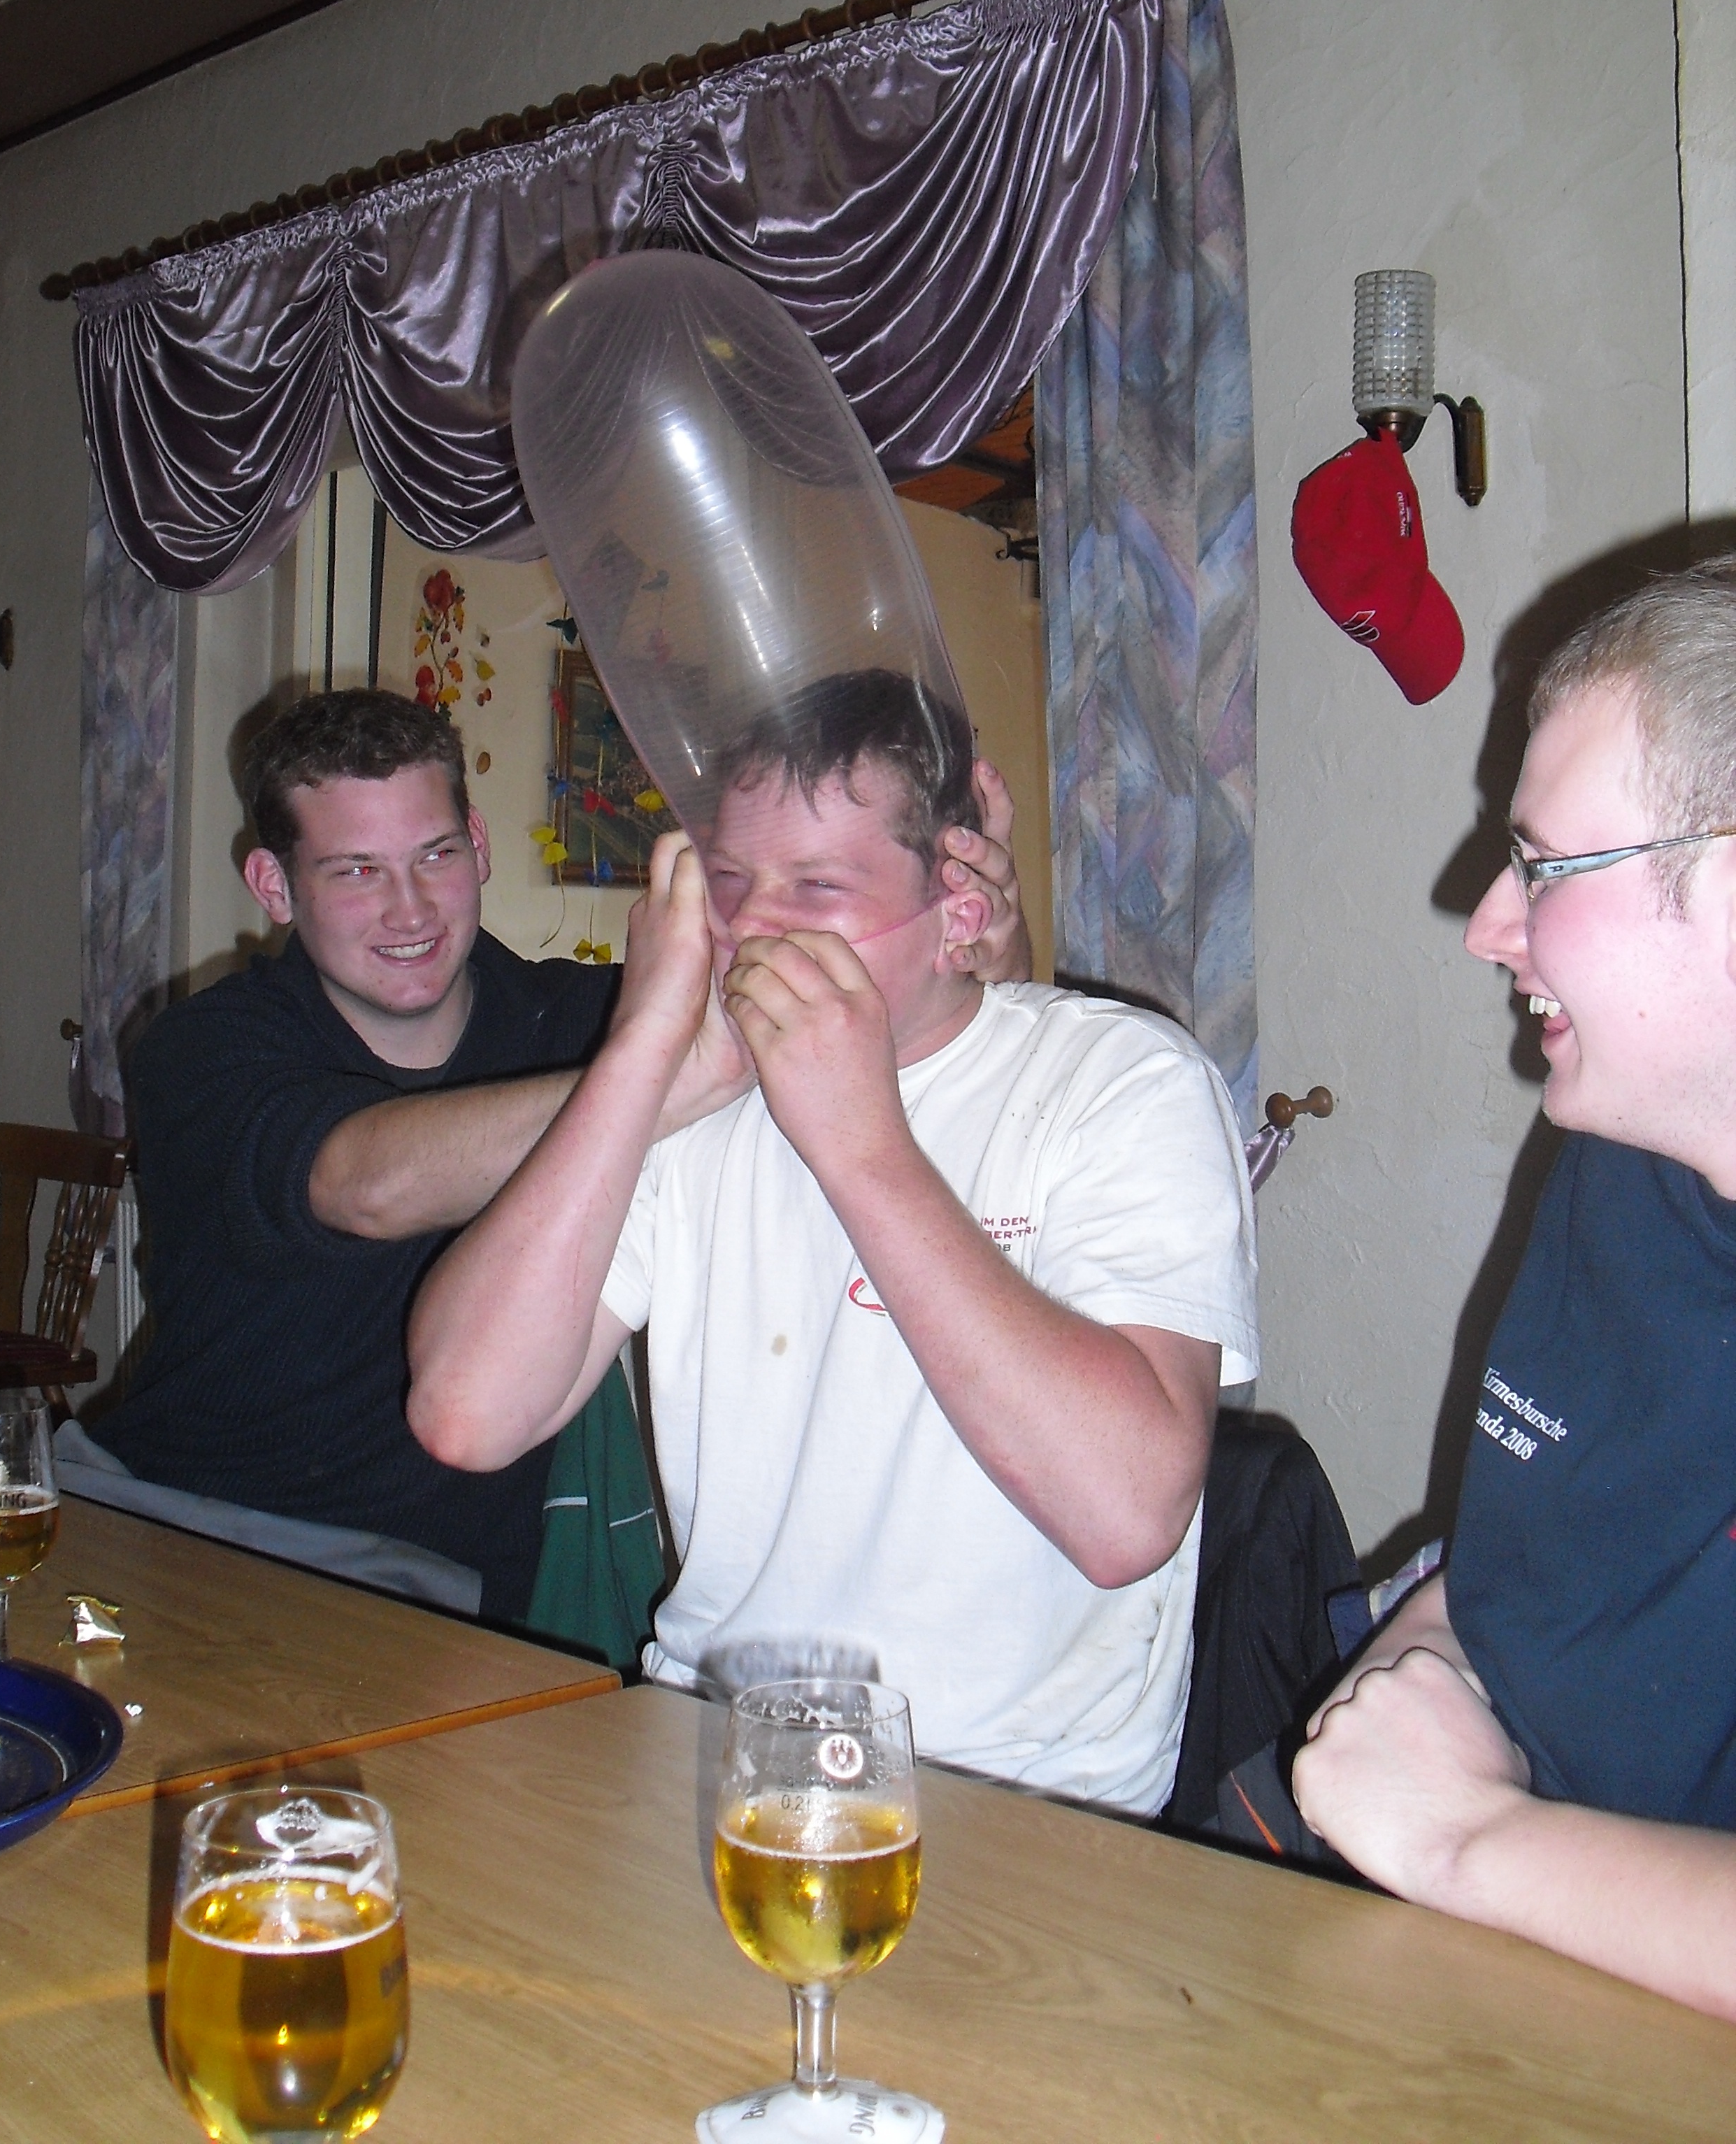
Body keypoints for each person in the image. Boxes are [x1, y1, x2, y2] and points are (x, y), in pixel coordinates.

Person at [407, 670, 1257, 1806]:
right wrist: (642, 1058)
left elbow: (1125, 1517)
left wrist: (863, 1147)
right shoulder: (699, 1100)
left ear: (959, 910)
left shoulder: (1121, 1082)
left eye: (817, 885)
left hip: (1026, 1798)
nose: (755, 928)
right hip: (719, 1754)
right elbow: (466, 1415)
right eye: (731, 883)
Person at [87, 687, 1033, 1627]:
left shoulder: (587, 1020)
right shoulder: (200, 1047)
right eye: (356, 872)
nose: (409, 910)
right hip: (184, 1531)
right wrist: (660, 1074)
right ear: (272, 886)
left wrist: (979, 941)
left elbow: (909, 1042)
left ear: (479, 847)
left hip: (442, 1592)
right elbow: (364, 1184)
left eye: (435, 855)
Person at [1293, 557, 1736, 2020]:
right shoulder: (1626, 1168)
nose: (1485, 920)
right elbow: (1519, 1580)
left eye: (1543, 867)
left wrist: (1462, 1836)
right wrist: (1424, 1668)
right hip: (1501, 1980)